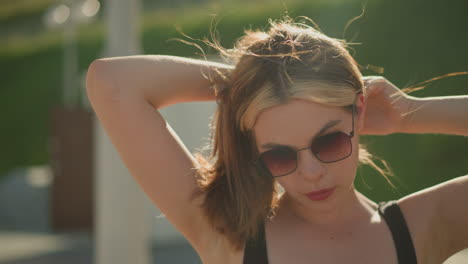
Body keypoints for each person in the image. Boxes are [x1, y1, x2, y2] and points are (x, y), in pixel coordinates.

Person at [85, 16, 468, 264]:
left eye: (329, 142)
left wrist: (409, 114)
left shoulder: (423, 224)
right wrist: (256, 80)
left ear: (360, 112)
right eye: (281, 156)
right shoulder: (229, 237)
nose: (312, 172)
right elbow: (111, 83)